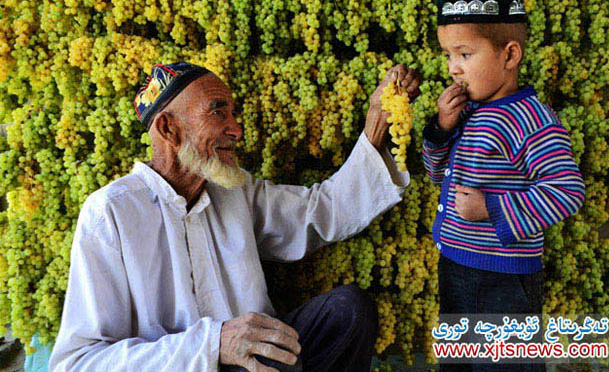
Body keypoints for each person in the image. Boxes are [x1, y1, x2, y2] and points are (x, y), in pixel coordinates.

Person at [49, 61, 422, 372]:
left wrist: (376, 126)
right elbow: (79, 363)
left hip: (261, 363)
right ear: (168, 128)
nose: (237, 129)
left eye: (233, 113)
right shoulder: (111, 213)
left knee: (348, 311)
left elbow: (321, 211)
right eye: (218, 111)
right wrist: (212, 345)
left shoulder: (233, 191)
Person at [422, 0, 585, 371]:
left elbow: (567, 190)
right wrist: (440, 129)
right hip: (456, 266)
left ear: (509, 55)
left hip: (504, 280)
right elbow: (434, 174)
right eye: (448, 55)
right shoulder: (466, 112)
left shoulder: (531, 120)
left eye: (465, 54)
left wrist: (490, 207)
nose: (453, 68)